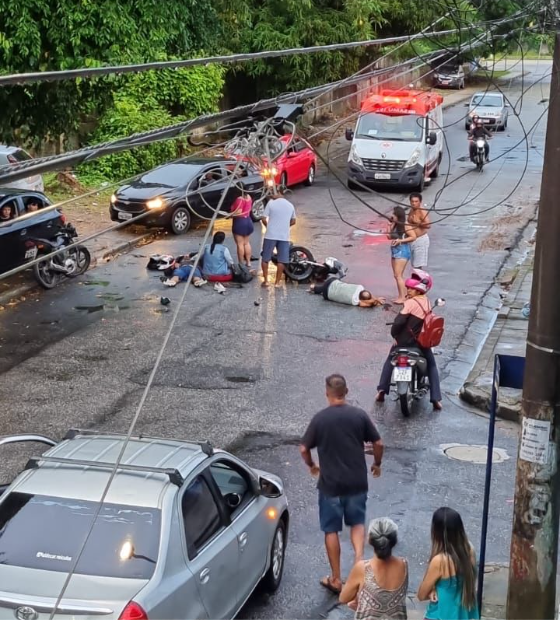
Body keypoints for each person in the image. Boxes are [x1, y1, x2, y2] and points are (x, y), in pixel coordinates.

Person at [300, 374, 384, 595]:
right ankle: (358, 565)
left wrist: (312, 465)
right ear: (346, 392)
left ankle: (336, 579)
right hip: (356, 482)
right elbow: (378, 442)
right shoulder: (358, 415)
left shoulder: (320, 419)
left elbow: (303, 448)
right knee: (357, 523)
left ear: (327, 393)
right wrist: (376, 463)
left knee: (331, 530)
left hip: (330, 486)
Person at [376, 269, 442, 410]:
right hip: (420, 344)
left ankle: (382, 390)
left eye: (412, 288)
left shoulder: (410, 303)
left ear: (419, 290)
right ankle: (436, 398)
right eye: (408, 288)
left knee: (389, 360)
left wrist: (394, 336)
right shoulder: (428, 303)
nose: (409, 290)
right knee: (432, 365)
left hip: (403, 343)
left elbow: (399, 322)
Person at [418, 507, 479, 620]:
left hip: (441, 615)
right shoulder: (470, 549)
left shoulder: (439, 561)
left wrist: (432, 590)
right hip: (464, 614)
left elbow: (421, 595)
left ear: (436, 532)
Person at [339, 518, 408, 619]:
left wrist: (359, 598)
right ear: (394, 541)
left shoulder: (363, 568)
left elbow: (343, 598)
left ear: (370, 540)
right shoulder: (404, 564)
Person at [261, 188, 296, 288]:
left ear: (279, 193)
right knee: (282, 260)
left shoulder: (271, 203)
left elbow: (263, 218)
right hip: (284, 236)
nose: (272, 195)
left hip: (270, 235)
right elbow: (293, 221)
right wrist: (285, 226)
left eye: (274, 193)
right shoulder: (290, 205)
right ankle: (277, 283)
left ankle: (266, 281)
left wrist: (268, 227)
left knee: (265, 258)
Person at [388, 205, 416, 304]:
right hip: (394, 250)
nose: (392, 215)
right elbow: (388, 237)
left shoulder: (405, 224)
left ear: (397, 215)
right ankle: (401, 295)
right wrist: (390, 225)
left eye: (393, 214)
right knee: (396, 276)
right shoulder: (395, 224)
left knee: (398, 275)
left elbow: (413, 236)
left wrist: (401, 240)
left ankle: (403, 297)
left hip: (402, 250)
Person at [310, 278, 386, 308]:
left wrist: (377, 299)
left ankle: (313, 286)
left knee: (321, 288)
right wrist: (376, 300)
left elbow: (367, 294)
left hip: (333, 281)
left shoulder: (359, 287)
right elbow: (366, 303)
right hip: (327, 293)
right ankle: (312, 287)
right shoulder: (354, 301)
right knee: (318, 288)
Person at [231, 191, 254, 268]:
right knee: (246, 243)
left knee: (240, 244)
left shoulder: (239, 199)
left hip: (240, 222)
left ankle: (241, 263)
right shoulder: (249, 197)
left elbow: (239, 212)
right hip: (248, 220)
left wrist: (230, 215)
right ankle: (248, 262)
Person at [407, 193, 431, 270]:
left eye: (416, 201)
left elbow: (428, 225)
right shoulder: (411, 210)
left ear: (420, 202)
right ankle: (417, 280)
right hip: (413, 240)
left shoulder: (422, 211)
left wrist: (417, 223)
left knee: (418, 266)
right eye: (412, 201)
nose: (414, 203)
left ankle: (421, 281)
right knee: (414, 264)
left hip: (421, 240)